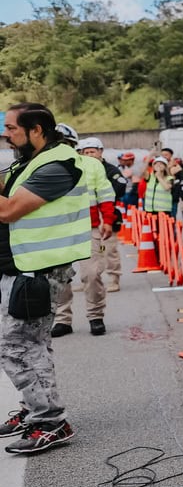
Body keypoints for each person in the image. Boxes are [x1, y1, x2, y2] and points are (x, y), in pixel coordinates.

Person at [0, 104, 91, 455]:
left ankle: (51, 422)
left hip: (37, 271)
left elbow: (8, 209)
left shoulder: (58, 165)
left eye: (11, 128)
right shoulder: (31, 161)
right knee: (33, 345)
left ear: (36, 129)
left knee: (17, 347)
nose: (6, 133)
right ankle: (34, 407)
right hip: (21, 267)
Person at [51, 128, 117, 338]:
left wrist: (108, 220)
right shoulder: (46, 165)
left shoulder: (92, 165)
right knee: (58, 277)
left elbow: (105, 194)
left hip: (88, 227)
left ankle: (95, 316)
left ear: (73, 145)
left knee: (91, 273)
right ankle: (63, 320)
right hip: (58, 229)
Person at [92, 139, 125, 293]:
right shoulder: (82, 169)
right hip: (89, 217)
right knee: (92, 252)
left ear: (100, 152)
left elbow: (120, 187)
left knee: (109, 249)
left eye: (92, 151)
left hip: (108, 214)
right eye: (85, 152)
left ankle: (114, 278)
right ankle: (93, 280)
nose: (89, 155)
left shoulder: (111, 170)